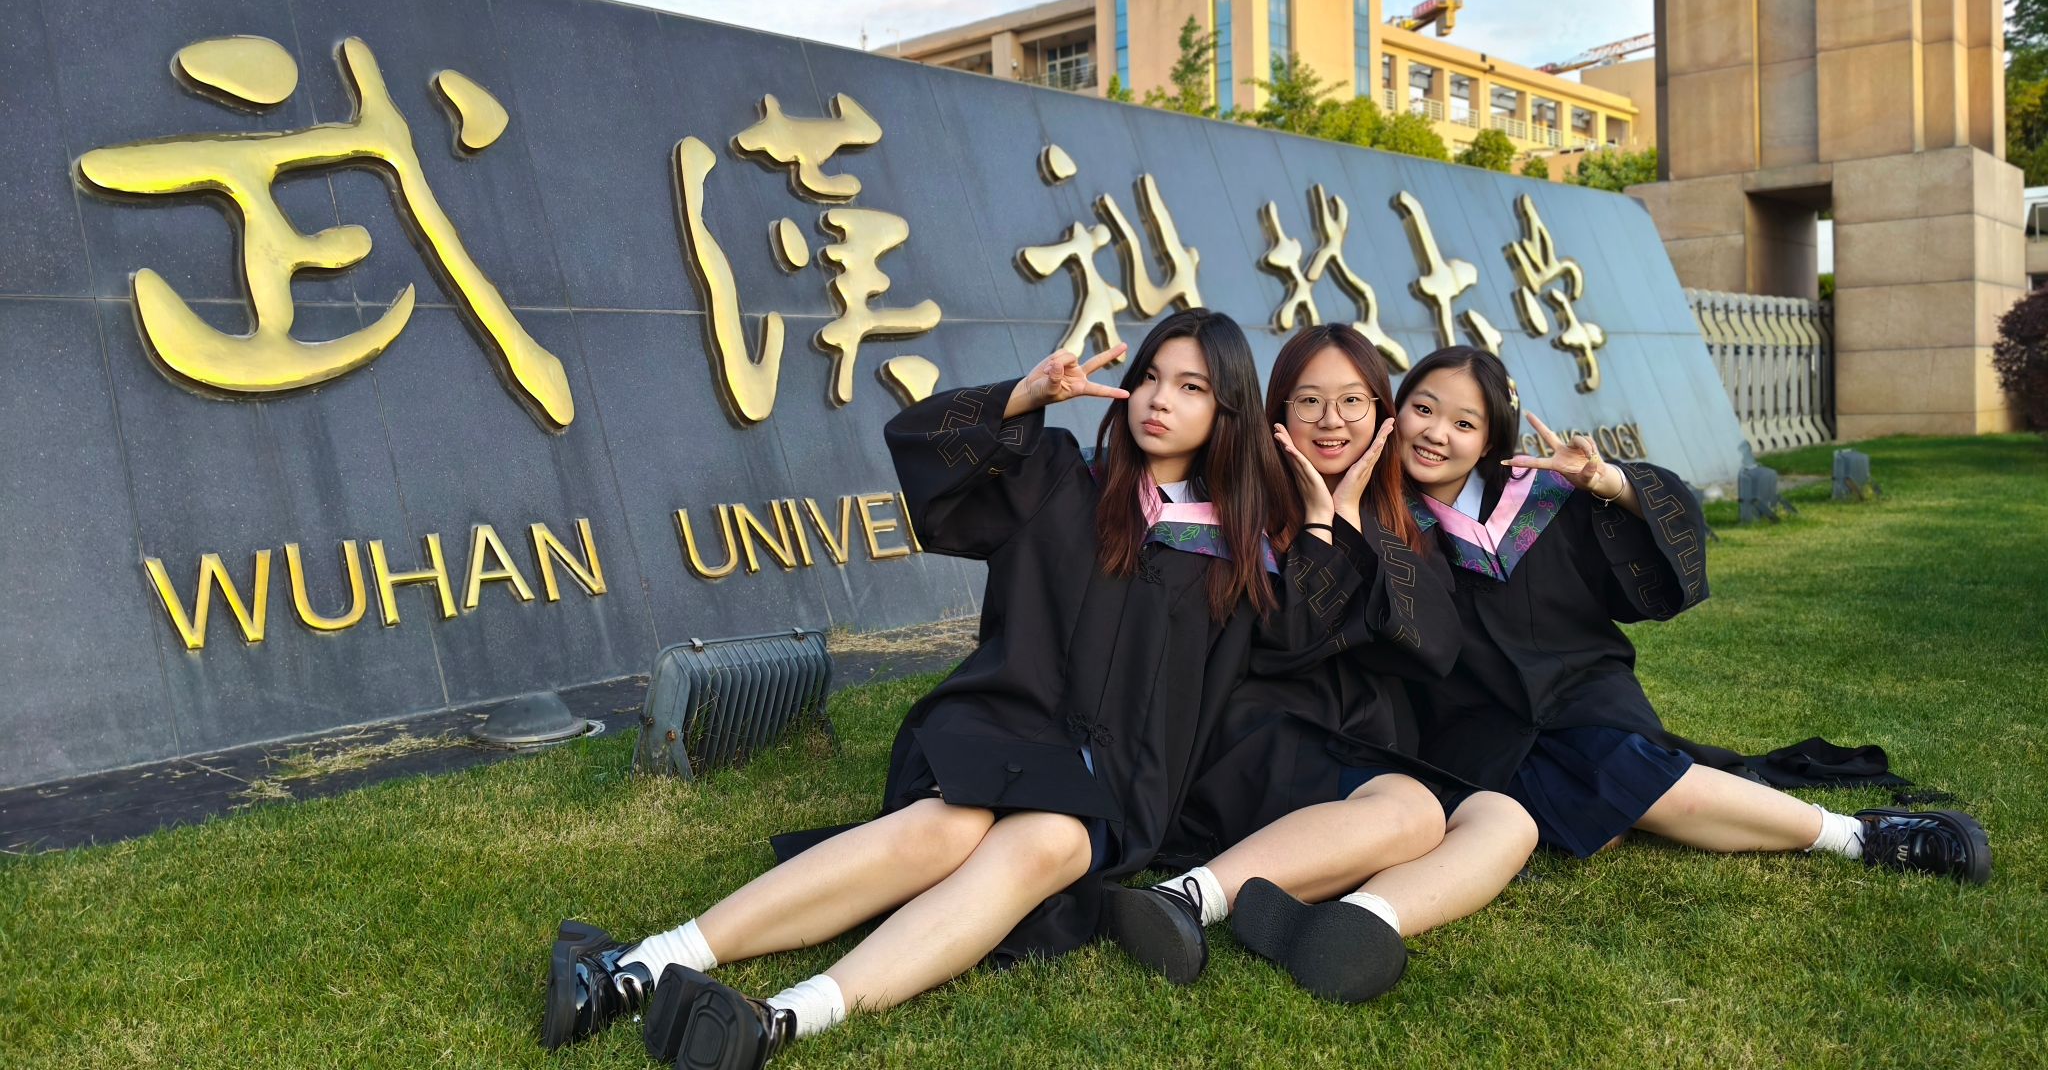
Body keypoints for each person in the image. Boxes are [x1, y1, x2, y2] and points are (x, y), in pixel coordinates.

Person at [541, 311, 1350, 1069]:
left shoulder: (1236, 554)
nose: (1158, 400)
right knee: (948, 826)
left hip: (1110, 787)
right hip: (1002, 727)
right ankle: (642, 964)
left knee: (1055, 842)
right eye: (1150, 378)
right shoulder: (1058, 477)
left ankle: (780, 1017)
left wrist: (1320, 521)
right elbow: (923, 453)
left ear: (1228, 414)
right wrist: (1022, 397)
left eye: (1191, 387)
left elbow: (1296, 651)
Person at [1389, 345, 1990, 882]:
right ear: (1397, 409)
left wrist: (1607, 482)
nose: (1436, 433)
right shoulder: (1376, 516)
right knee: (1599, 811)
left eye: (1464, 423)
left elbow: (1656, 556)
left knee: (1622, 776)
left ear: (1490, 440)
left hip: (1579, 691)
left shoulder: (1539, 495)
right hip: (1475, 721)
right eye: (1423, 409)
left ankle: (1858, 836)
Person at [1101, 324, 1538, 1004]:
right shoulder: (1236, 508)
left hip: (1355, 742)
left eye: (1352, 402)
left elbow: (1434, 646)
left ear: (1380, 413)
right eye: (1308, 401)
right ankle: (1184, 898)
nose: (1331, 421)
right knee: (1410, 812)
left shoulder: (1396, 518)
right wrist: (1315, 522)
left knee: (1507, 821)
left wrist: (1351, 517)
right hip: (1257, 738)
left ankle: (1355, 921)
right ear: (1277, 411)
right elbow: (1286, 642)